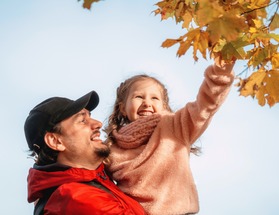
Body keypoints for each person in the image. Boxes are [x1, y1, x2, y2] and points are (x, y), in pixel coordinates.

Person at [104, 58, 235, 215]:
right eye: (139, 97)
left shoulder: (176, 127)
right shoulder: (111, 148)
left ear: (164, 106)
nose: (147, 103)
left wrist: (221, 72)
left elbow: (206, 105)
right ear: (123, 108)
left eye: (154, 98)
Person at [24, 90, 146, 215]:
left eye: (90, 116)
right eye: (82, 120)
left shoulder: (95, 180)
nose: (98, 124)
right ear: (55, 141)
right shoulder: (76, 198)